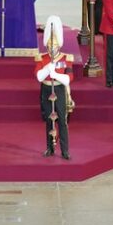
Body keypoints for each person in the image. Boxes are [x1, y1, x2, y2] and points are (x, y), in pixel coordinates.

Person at [35, 15, 73, 160]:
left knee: (62, 121)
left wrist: (55, 74)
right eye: (50, 46)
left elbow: (69, 78)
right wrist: (47, 69)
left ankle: (65, 150)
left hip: (59, 90)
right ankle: (49, 148)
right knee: (48, 120)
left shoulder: (65, 58)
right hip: (45, 90)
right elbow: (39, 76)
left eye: (54, 46)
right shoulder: (42, 58)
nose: (51, 49)